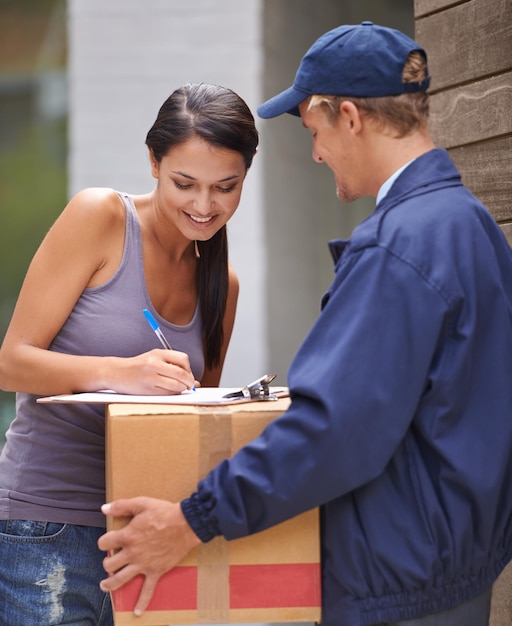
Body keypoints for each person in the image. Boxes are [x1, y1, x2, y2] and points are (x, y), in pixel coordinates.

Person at [98, 23, 512, 626]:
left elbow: (333, 431)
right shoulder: (469, 225)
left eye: (314, 132)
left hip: (398, 587)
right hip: (459, 570)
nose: (316, 153)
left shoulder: (397, 246)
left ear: (348, 116)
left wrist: (192, 520)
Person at [0, 82, 259, 626]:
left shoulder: (223, 286)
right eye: (185, 183)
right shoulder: (100, 218)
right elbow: (11, 361)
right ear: (152, 161)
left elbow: (190, 427)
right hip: (45, 531)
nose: (205, 206)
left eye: (226, 188)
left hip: (148, 541)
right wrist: (123, 374)